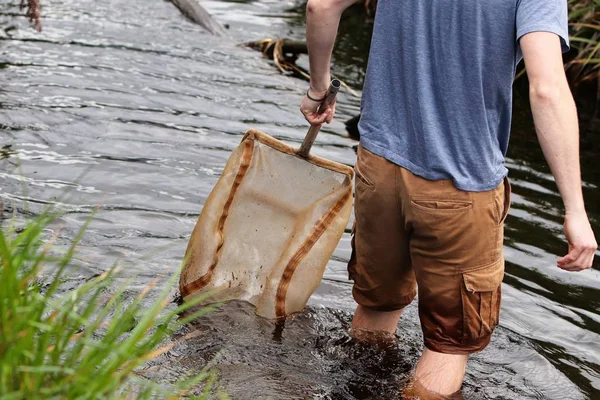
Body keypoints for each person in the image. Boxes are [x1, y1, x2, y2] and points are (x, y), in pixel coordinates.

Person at [300, 0, 598, 397]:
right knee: (450, 343)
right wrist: (575, 209)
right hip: (461, 184)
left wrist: (320, 87)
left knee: (377, 306)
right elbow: (545, 90)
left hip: (378, 169)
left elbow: (320, 6)